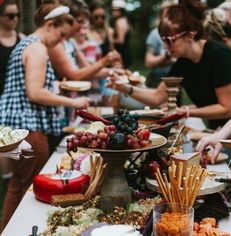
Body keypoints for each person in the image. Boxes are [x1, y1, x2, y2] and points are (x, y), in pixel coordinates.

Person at [0, 1, 90, 230]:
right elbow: (34, 92)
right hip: (28, 129)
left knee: (18, 184)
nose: (61, 41)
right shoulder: (38, 48)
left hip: (14, 128)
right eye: (61, 34)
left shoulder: (25, 44)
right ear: (49, 25)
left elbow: (26, 86)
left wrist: (55, 85)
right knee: (30, 189)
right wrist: (73, 101)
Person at [107, 0, 231, 130]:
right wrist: (124, 88)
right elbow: (157, 97)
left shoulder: (219, 55)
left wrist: (185, 111)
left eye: (169, 40)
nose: (165, 46)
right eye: (163, 40)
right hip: (219, 130)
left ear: (190, 35)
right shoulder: (183, 62)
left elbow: (227, 108)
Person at [0, 0, 23, 200]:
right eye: (10, 15)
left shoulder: (21, 39)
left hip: (14, 100)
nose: (15, 19)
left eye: (17, 15)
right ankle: (7, 181)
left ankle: (10, 182)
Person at [145, 15, 174, 88]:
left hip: (175, 76)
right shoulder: (154, 34)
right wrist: (167, 56)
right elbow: (148, 63)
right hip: (158, 77)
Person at [111, 0, 132, 68]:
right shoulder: (125, 20)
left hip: (122, 54)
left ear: (120, 10)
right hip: (126, 52)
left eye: (115, 10)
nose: (113, 12)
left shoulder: (119, 22)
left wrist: (110, 41)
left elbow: (121, 40)